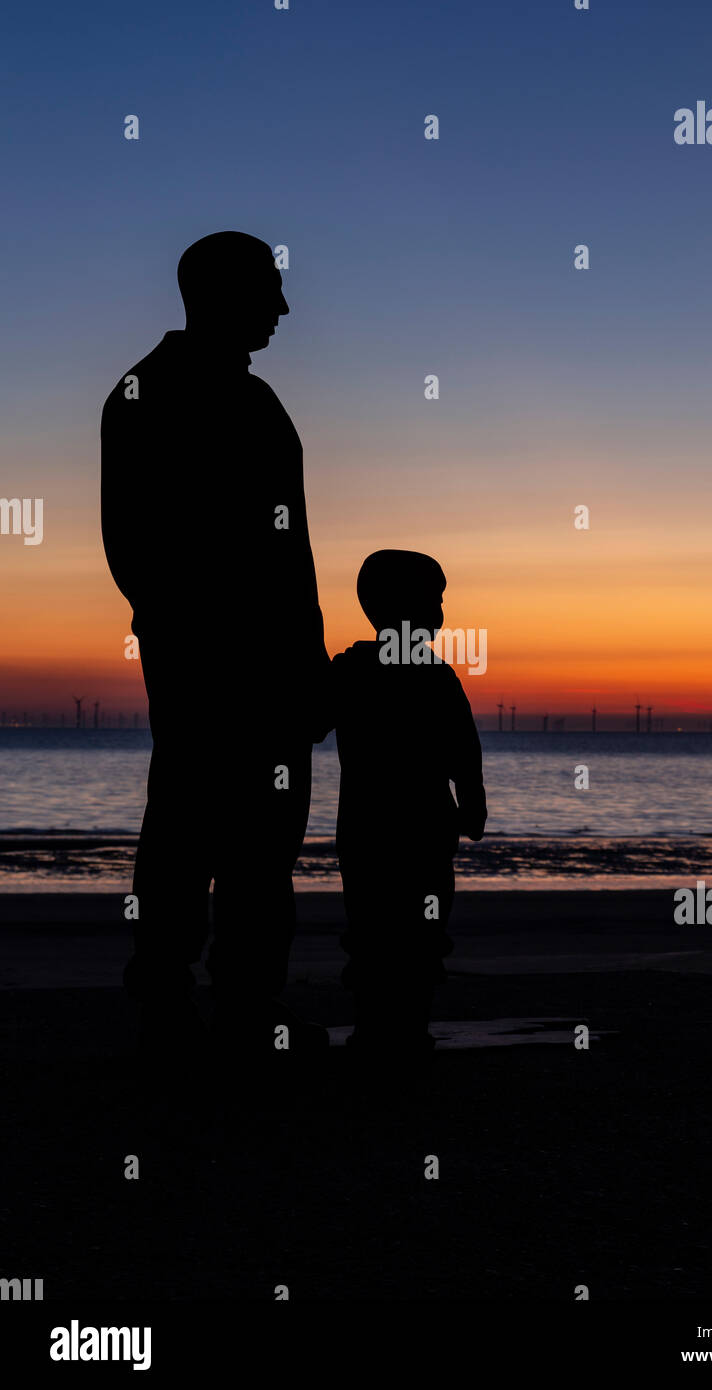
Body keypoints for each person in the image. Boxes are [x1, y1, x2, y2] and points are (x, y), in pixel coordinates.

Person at [100, 231, 329, 1059]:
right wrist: (198, 629)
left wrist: (306, 656)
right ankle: (174, 994)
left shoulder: (254, 402)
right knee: (194, 828)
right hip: (209, 659)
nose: (283, 307)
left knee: (259, 840)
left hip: (262, 661)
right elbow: (134, 543)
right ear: (220, 292)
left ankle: (240, 998)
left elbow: (291, 551)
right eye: (269, 289)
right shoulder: (150, 392)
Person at [327, 549, 487, 1065]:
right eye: (433, 602)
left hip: (374, 825)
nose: (440, 617)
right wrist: (472, 801)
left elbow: (464, 746)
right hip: (413, 825)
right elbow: (465, 748)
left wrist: (472, 799)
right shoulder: (430, 676)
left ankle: (386, 1029)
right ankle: (395, 1028)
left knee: (381, 929)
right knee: (406, 930)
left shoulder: (354, 671)